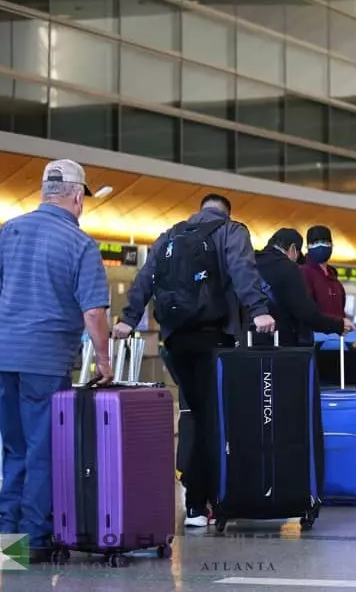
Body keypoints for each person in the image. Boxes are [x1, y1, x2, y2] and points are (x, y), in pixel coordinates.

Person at [0, 160, 113, 562]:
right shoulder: (80, 244)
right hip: (45, 361)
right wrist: (104, 361)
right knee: (42, 450)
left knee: (13, 448)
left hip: (3, 358)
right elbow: (94, 313)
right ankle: (35, 539)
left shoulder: (9, 231)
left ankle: (6, 537)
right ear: (78, 197)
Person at [114, 193, 275, 528]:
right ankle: (203, 503)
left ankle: (195, 503)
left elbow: (145, 278)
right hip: (212, 338)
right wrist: (259, 311)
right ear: (226, 212)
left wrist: (129, 319)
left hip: (174, 341)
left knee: (193, 416)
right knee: (212, 420)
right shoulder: (231, 231)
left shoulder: (170, 235)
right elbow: (241, 269)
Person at [255, 228, 352, 345]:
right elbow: (305, 311)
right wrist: (338, 325)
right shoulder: (289, 268)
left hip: (247, 340)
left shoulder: (250, 261)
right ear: (293, 249)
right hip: (280, 342)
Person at [301, 225, 347, 322]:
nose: (321, 246)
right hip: (314, 335)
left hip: (337, 335)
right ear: (308, 247)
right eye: (316, 242)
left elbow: (341, 311)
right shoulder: (303, 272)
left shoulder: (335, 280)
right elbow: (305, 310)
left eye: (325, 242)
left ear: (331, 245)